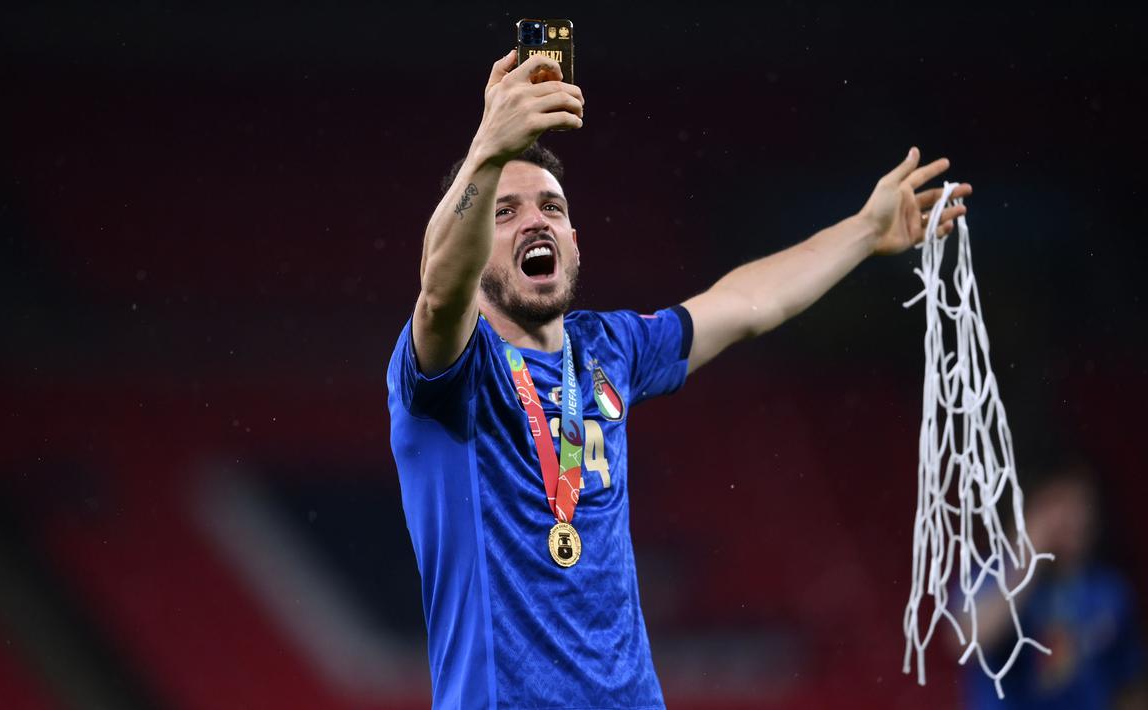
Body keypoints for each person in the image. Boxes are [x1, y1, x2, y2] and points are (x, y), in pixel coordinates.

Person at [385, 49, 971, 709]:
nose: (534, 219)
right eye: (504, 211)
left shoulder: (608, 348)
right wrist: (487, 149)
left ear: (574, 239)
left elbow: (747, 303)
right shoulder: (452, 376)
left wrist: (863, 231)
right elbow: (438, 294)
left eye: (550, 207)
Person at [962, 464, 1147, 709]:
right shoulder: (992, 572)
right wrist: (1028, 559)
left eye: (1080, 507)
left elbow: (1130, 683)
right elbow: (967, 640)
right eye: (1057, 506)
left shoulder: (1109, 590)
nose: (1071, 520)